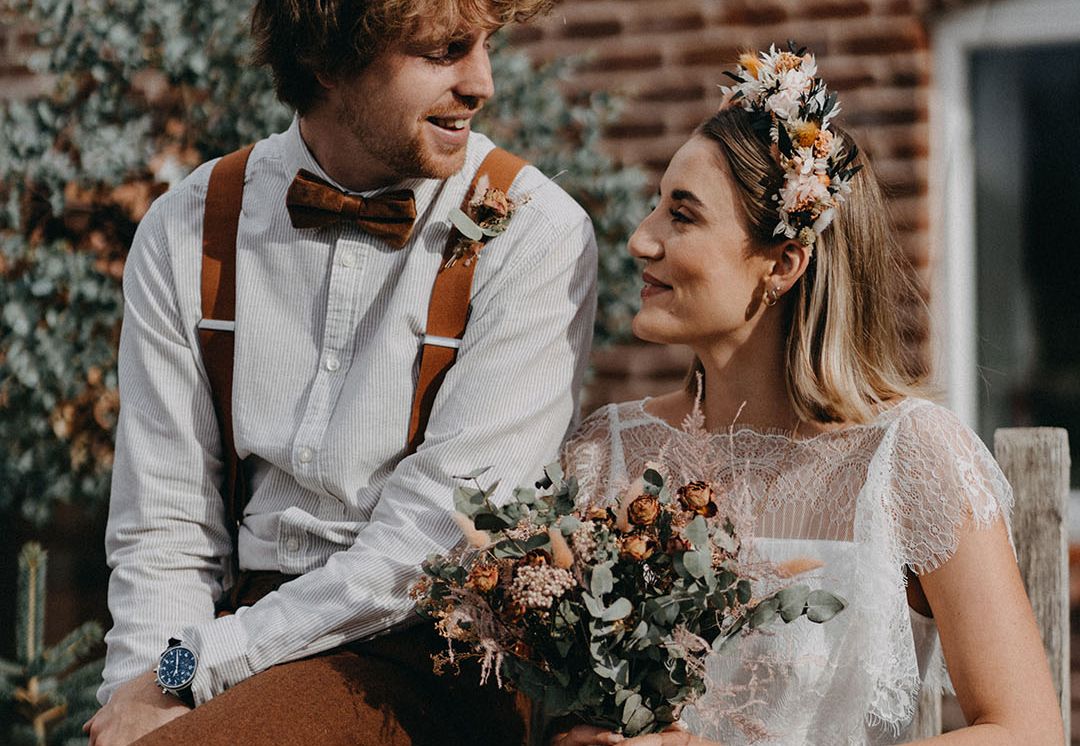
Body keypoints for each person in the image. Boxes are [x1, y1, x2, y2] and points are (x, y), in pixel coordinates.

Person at [85, 1, 597, 744]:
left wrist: (193, 667)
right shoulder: (189, 227)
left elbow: (431, 540)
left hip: (429, 651)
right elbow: (163, 525)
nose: (481, 81)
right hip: (236, 631)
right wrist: (143, 694)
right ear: (328, 59)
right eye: (444, 50)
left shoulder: (534, 233)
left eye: (485, 46)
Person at [554, 46, 1062, 745]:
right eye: (654, 207)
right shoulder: (607, 457)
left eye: (683, 214)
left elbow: (1026, 729)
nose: (642, 240)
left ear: (784, 263)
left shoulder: (910, 457)